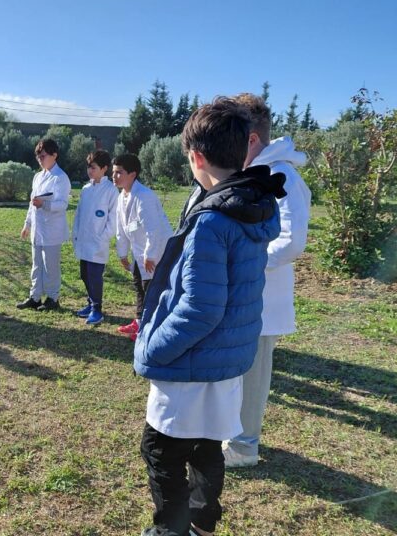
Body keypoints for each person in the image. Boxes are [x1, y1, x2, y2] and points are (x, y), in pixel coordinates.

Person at [134, 97, 285, 536]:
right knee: (206, 446)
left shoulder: (212, 221)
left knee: (160, 450)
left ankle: (171, 530)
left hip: (193, 361)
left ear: (197, 157)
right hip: (225, 358)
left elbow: (200, 308)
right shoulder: (250, 204)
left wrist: (152, 348)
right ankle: (202, 523)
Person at [222, 93, 312, 468]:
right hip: (245, 291)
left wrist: (248, 260)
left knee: (254, 370)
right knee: (240, 369)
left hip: (261, 295)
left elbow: (293, 240)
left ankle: (245, 447)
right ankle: (234, 434)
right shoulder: (255, 172)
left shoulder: (280, 175)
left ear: (252, 139)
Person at [112, 153, 172, 339]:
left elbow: (153, 229)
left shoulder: (144, 196)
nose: (114, 176)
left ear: (133, 174)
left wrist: (150, 255)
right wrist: (122, 254)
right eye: (113, 172)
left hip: (157, 249)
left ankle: (150, 327)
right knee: (139, 284)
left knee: (151, 289)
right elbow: (121, 228)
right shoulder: (122, 197)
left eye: (119, 172)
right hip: (139, 251)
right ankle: (139, 321)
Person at [16, 138, 71, 312]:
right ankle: (35, 297)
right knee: (37, 264)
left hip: (52, 230)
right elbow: (32, 203)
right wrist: (27, 224)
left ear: (54, 155)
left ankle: (53, 298)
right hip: (37, 229)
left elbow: (63, 204)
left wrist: (45, 204)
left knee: (50, 266)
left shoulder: (61, 178)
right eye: (38, 156)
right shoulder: (38, 176)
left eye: (43, 156)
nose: (40, 159)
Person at [71, 149, 118, 326]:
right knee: (84, 275)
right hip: (84, 241)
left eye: (94, 167)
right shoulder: (86, 189)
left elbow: (113, 219)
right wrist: (76, 234)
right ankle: (90, 304)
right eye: (88, 167)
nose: (90, 171)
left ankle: (97, 310)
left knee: (95, 276)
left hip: (98, 243)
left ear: (104, 168)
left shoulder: (111, 191)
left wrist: (103, 237)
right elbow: (79, 214)